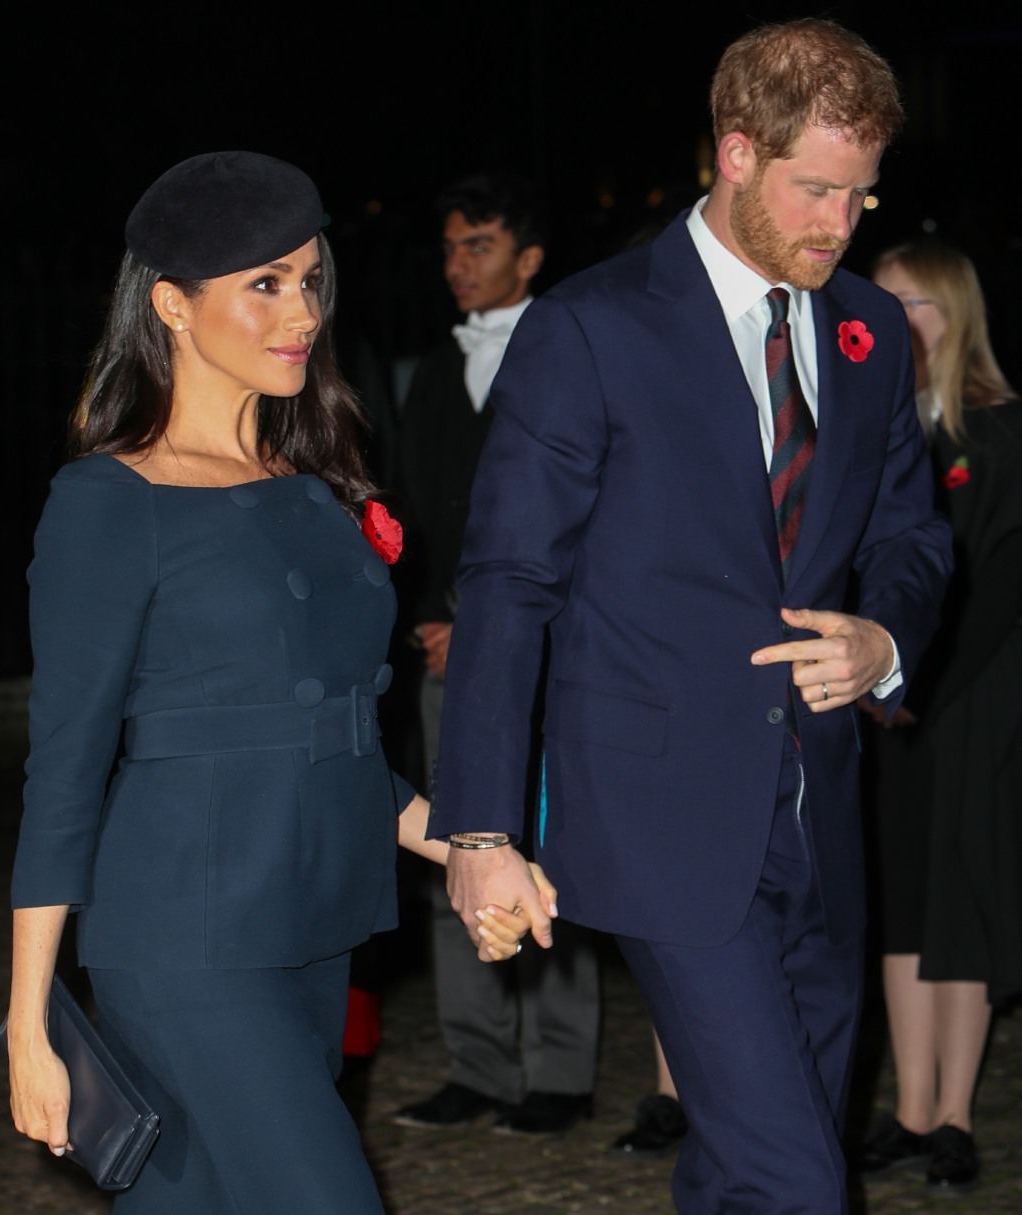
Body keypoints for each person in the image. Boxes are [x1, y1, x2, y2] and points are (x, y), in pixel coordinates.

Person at [428, 20, 955, 1215]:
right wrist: (477, 830)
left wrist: (881, 644)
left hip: (822, 819)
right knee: (794, 1179)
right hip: (661, 821)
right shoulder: (590, 327)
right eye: (815, 189)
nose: (839, 221)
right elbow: (509, 580)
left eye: (859, 196)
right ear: (732, 152)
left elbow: (912, 538)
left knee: (746, 1164)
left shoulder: (868, 335)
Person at [4, 151, 549, 1215]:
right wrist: (29, 1021)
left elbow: (340, 743)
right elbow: (64, 765)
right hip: (183, 942)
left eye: (308, 278)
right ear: (170, 302)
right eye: (263, 283)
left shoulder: (310, 489)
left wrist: (473, 850)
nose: (300, 309)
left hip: (312, 920)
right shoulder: (111, 501)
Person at [394, 174, 601, 1135]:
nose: (456, 265)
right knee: (455, 846)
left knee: (547, 851)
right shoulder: (430, 369)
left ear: (529, 256)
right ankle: (477, 1062)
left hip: (548, 654)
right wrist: (430, 620)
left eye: (477, 244)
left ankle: (560, 1069)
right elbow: (405, 513)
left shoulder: (581, 353)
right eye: (448, 247)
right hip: (446, 650)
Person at [858, 240, 1022, 1191]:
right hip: (887, 706)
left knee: (961, 898)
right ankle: (910, 1106)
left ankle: (955, 1112)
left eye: (913, 306)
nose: (895, 325)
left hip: (969, 702)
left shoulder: (997, 435)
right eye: (881, 306)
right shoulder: (876, 430)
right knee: (901, 904)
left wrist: (915, 687)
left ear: (956, 315)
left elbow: (998, 587)